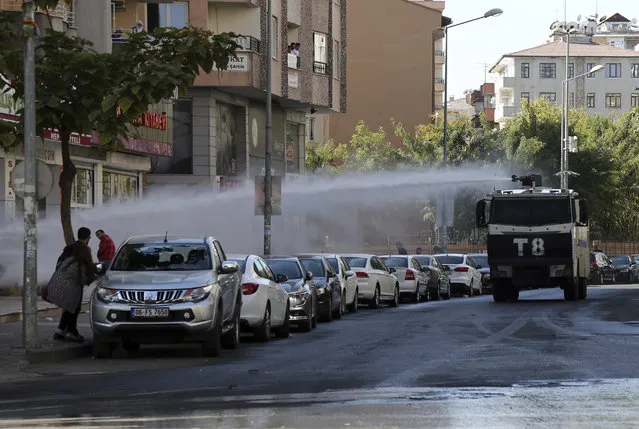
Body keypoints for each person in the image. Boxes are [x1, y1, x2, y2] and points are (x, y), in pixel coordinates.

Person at [49, 227, 97, 342]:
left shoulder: (69, 247)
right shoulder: (85, 249)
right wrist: (93, 277)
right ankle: (72, 331)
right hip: (75, 282)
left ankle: (60, 331)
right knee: (74, 308)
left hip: (63, 280)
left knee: (68, 307)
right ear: (88, 237)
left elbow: (59, 262)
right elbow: (89, 267)